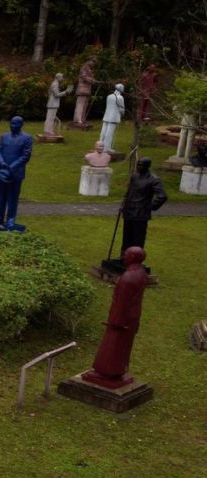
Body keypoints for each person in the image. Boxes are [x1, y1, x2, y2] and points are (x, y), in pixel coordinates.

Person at [83, 247, 147, 388]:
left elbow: (121, 303)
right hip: (132, 317)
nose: (124, 257)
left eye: (126, 255)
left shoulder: (128, 278)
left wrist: (114, 322)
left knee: (112, 346)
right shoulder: (141, 273)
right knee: (123, 347)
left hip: (121, 320)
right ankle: (118, 370)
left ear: (133, 258)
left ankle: (105, 373)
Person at [0, 116, 32, 230]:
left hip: (15, 173)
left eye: (15, 124)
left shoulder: (27, 138)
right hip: (2, 171)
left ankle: (11, 219)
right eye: (11, 123)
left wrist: (11, 167)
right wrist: (1, 163)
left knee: (12, 197)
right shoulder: (4, 136)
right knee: (1, 196)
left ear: (21, 125)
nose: (12, 126)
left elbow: (26, 156)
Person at [119, 157, 166, 256]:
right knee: (127, 236)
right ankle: (124, 256)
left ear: (147, 166)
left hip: (140, 214)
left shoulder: (153, 180)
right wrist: (123, 204)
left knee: (138, 238)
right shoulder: (134, 177)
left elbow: (162, 196)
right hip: (129, 211)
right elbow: (129, 192)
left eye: (141, 165)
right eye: (137, 164)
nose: (138, 167)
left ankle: (136, 258)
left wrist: (150, 206)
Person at [98, 84, 125, 153]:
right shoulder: (120, 97)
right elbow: (121, 109)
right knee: (109, 133)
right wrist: (122, 114)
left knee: (103, 132)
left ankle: (99, 145)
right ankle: (106, 148)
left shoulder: (109, 96)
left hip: (107, 115)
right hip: (114, 117)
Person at [72, 57, 97, 126]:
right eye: (93, 62)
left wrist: (93, 80)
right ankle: (77, 119)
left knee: (85, 105)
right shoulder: (84, 68)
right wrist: (92, 80)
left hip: (87, 89)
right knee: (80, 104)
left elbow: (90, 78)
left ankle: (82, 119)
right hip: (82, 88)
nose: (93, 64)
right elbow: (84, 77)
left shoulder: (88, 69)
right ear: (89, 61)